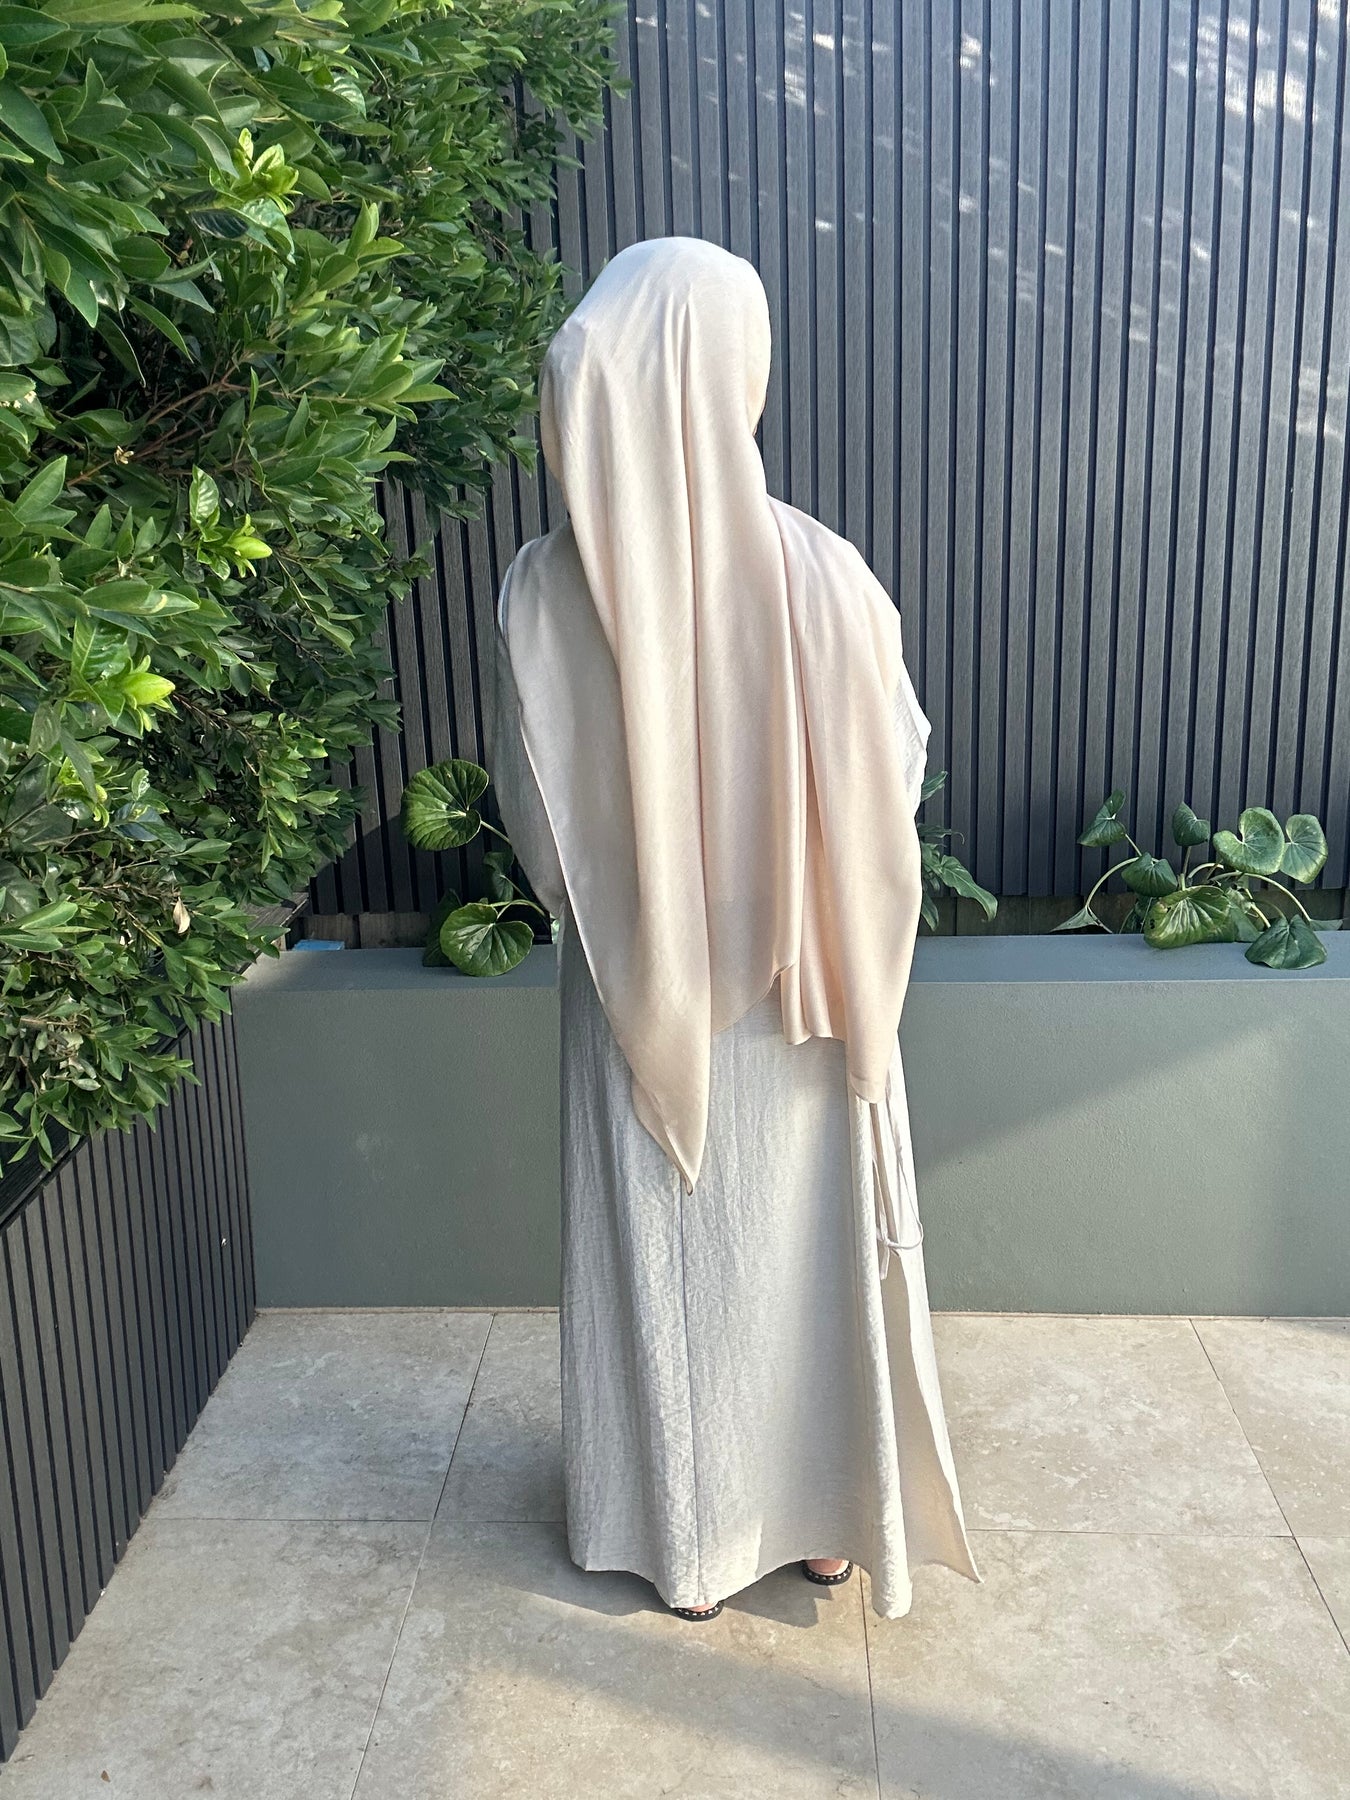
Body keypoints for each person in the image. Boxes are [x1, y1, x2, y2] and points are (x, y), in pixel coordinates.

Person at [485, 235, 979, 1621]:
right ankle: (825, 1524)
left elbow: (539, 824)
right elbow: (897, 770)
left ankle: (682, 1538)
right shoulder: (825, 570)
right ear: (731, 370)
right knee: (806, 1246)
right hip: (806, 987)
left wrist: (643, 895)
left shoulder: (544, 590)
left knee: (662, 1247)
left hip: (637, 987)